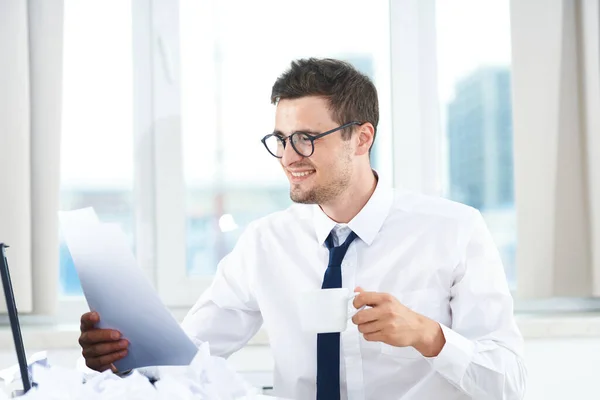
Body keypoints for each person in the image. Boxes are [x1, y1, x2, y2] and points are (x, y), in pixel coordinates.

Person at [78, 58, 526, 399]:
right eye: (281, 139)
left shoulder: (454, 231)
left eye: (307, 138)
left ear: (362, 138)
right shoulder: (264, 243)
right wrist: (122, 356)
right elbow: (187, 359)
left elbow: (509, 381)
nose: (290, 156)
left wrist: (429, 336)